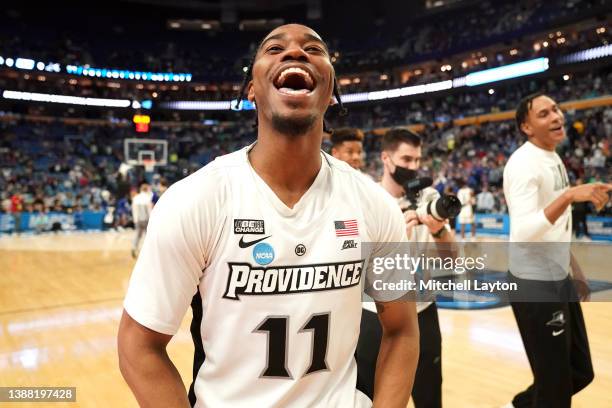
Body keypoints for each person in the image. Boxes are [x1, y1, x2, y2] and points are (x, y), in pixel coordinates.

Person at [118, 24, 419, 408]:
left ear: (331, 91)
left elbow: (403, 330)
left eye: (313, 48)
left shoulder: (375, 205)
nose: (295, 52)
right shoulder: (195, 199)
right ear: (251, 89)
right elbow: (138, 345)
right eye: (274, 48)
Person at [503, 93, 611, 408]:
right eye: (544, 113)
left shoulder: (552, 156)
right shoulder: (523, 164)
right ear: (526, 126)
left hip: (557, 277)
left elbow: (555, 227)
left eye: (556, 109)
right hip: (534, 284)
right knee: (555, 391)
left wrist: (574, 270)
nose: (556, 116)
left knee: (580, 372)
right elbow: (523, 232)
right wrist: (569, 196)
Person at [355, 128, 456, 408]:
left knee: (430, 398)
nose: (413, 167)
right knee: (369, 399)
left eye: (417, 160)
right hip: (374, 313)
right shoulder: (367, 199)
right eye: (406, 159)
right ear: (386, 159)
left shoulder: (429, 198)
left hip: (422, 310)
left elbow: (453, 261)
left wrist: (438, 232)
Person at [131, 182, 153, 259]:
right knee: (147, 236)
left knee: (137, 235)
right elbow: (149, 210)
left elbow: (134, 210)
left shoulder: (136, 198)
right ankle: (147, 252)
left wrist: (135, 220)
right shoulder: (147, 198)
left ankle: (134, 248)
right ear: (146, 190)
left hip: (138, 220)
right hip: (146, 220)